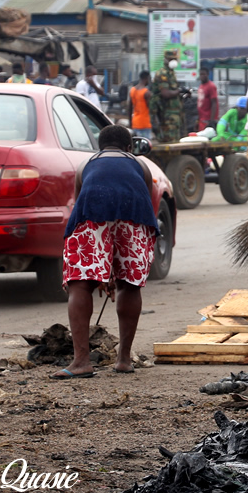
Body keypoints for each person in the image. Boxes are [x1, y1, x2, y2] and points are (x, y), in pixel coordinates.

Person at [53, 125, 159, 379]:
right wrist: (115, 273)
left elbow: (81, 208)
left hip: (92, 217)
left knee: (80, 285)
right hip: (135, 219)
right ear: (129, 148)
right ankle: (124, 359)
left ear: (99, 147)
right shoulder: (140, 165)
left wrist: (99, 274)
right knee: (129, 284)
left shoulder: (86, 164)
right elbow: (146, 200)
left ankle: (81, 362)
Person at [150, 50, 185, 143]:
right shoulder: (163, 74)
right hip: (166, 114)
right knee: (169, 140)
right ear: (165, 60)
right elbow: (165, 93)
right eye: (171, 59)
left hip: (175, 113)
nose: (173, 61)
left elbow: (173, 92)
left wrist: (183, 93)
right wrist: (179, 91)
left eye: (175, 59)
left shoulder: (171, 73)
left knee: (176, 140)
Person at [130, 71, 153, 139]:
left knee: (136, 146)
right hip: (145, 123)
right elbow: (151, 108)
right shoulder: (146, 92)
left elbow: (129, 108)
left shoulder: (132, 90)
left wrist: (130, 122)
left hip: (135, 123)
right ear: (147, 78)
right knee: (145, 146)